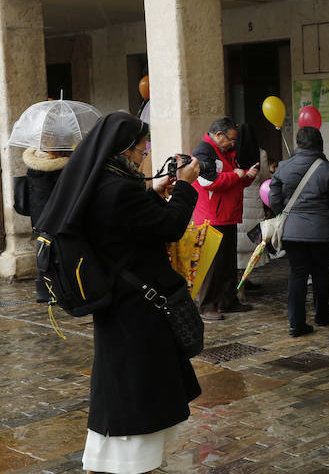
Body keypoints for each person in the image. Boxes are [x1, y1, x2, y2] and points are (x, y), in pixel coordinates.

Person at [37, 112, 201, 474]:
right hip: (136, 305)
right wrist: (187, 186)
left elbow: (133, 228)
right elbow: (170, 227)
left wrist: (155, 193)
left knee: (121, 381)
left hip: (119, 299)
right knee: (136, 384)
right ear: (123, 150)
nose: (145, 154)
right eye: (142, 148)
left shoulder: (101, 183)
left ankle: (106, 458)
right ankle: (130, 463)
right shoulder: (120, 189)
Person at [270, 126, 329, 335]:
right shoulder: (328, 168)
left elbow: (274, 198)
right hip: (321, 232)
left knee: (297, 275)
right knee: (321, 274)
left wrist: (284, 214)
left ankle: (296, 323)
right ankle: (322, 314)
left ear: (298, 143)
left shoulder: (283, 167)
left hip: (292, 231)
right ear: (318, 143)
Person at [192, 118, 259, 320]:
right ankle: (206, 305)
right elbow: (208, 181)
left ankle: (227, 301)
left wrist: (247, 177)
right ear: (219, 135)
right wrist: (237, 176)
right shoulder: (203, 151)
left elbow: (234, 182)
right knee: (213, 265)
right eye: (231, 140)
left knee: (228, 263)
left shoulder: (225, 152)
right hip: (212, 217)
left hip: (228, 215)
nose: (233, 144)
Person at [20, 147, 71, 302]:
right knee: (59, 254)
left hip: (39, 217)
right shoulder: (60, 167)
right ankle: (58, 289)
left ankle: (43, 289)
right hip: (57, 217)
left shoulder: (33, 164)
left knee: (43, 251)